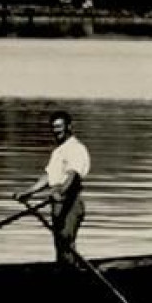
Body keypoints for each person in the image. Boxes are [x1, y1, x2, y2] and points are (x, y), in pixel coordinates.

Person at [16, 110, 91, 263]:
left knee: (66, 242)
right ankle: (63, 272)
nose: (56, 131)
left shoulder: (75, 148)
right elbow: (48, 177)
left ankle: (70, 275)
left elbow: (73, 176)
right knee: (60, 245)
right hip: (57, 202)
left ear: (69, 127)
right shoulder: (58, 151)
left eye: (59, 126)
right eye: (54, 127)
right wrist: (28, 192)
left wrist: (61, 192)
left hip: (70, 202)